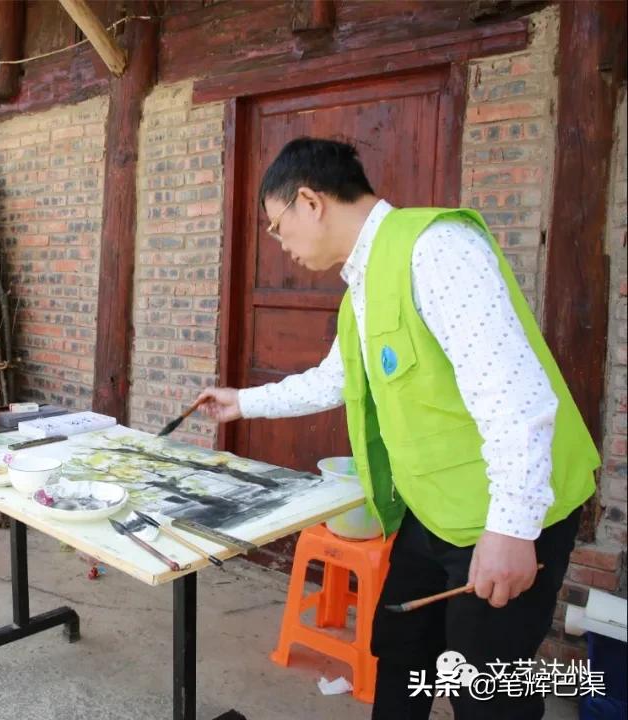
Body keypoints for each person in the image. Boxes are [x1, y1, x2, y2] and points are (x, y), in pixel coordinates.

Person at [196, 138, 598, 719]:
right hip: (435, 511)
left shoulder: (436, 250)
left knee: (487, 691)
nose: (280, 246)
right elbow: (333, 380)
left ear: (310, 201)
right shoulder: (360, 287)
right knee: (401, 649)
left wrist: (512, 529)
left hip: (511, 513)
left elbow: (517, 398)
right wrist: (243, 403)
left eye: (276, 226)